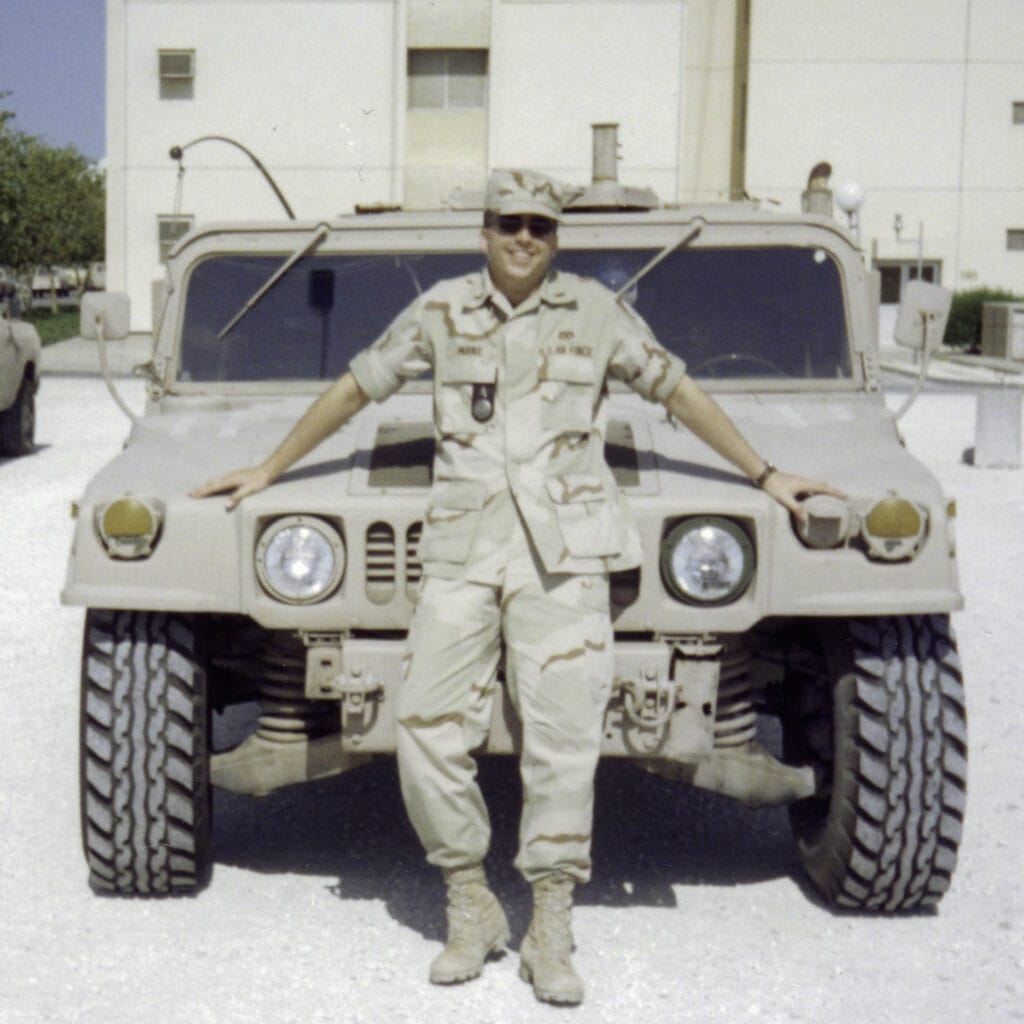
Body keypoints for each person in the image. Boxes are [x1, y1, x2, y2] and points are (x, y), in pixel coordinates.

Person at [192, 169, 840, 1006]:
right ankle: (470, 903)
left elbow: (674, 386)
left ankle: (551, 923)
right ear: (487, 231)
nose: (524, 238)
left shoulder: (596, 315)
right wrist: (269, 467)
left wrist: (766, 471)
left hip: (564, 558)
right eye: (510, 224)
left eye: (540, 225)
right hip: (464, 552)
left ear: (557, 237)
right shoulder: (441, 311)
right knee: (422, 724)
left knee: (565, 739)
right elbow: (360, 383)